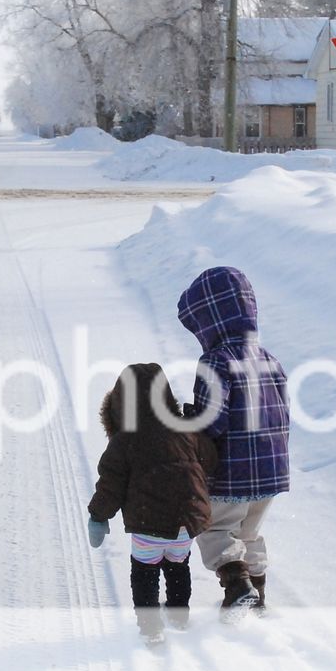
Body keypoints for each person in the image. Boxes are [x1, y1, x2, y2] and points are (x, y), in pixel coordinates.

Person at [176, 266, 290, 615]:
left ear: (209, 320)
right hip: (270, 471)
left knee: (215, 528)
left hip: (231, 471)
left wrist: (188, 426)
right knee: (249, 532)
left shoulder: (215, 361)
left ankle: (237, 586)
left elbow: (212, 419)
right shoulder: (271, 360)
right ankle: (258, 596)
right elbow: (283, 413)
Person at [87, 363, 218, 647]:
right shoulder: (186, 430)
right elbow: (210, 458)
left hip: (149, 525)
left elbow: (111, 484)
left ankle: (150, 629)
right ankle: (179, 616)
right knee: (178, 566)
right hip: (186, 523)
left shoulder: (124, 441)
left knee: (144, 574)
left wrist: (98, 515)